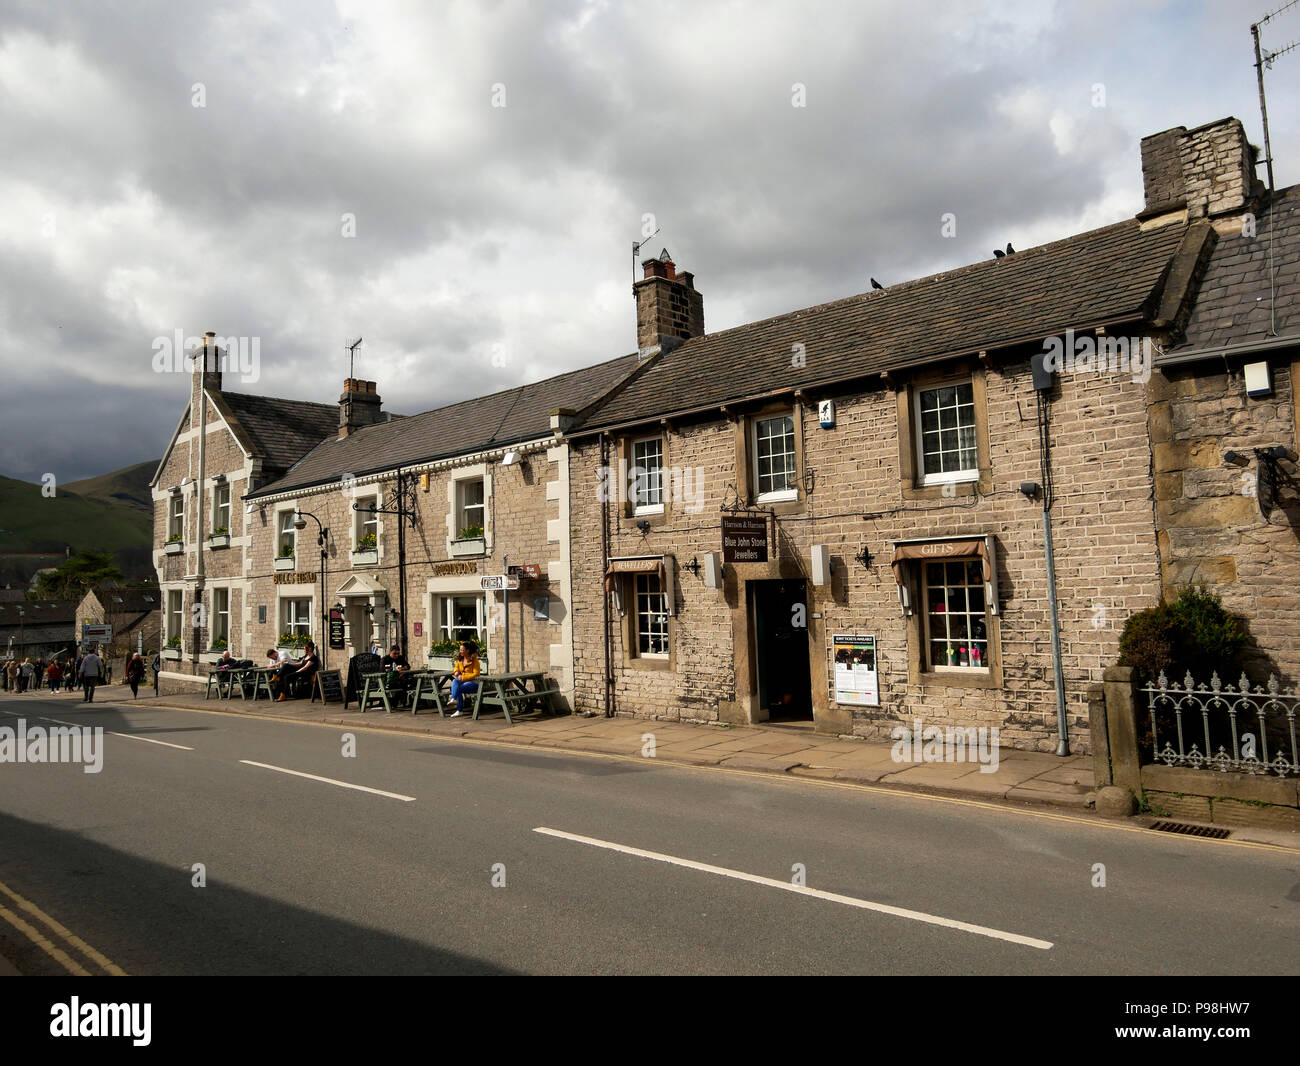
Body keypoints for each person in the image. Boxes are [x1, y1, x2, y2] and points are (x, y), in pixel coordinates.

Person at [449, 641, 480, 718]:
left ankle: (459, 710)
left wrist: (463, 677)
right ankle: (454, 699)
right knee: (455, 681)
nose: (461, 652)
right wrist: (456, 671)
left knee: (458, 688)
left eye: (462, 650)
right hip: (463, 682)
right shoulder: (460, 659)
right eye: (460, 650)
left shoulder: (474, 660)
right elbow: (456, 667)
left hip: (474, 683)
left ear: (467, 650)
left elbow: (476, 674)